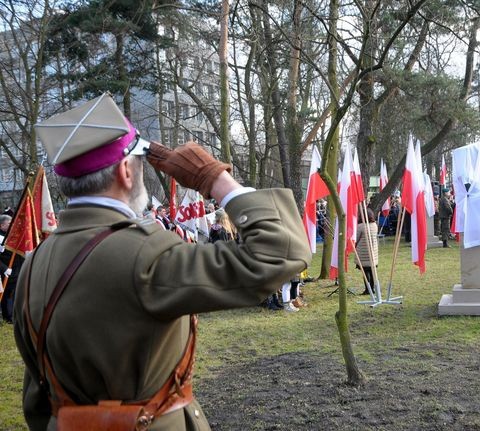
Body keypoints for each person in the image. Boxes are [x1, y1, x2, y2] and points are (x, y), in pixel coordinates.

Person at [14, 93, 311, 430]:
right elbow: (281, 252)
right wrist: (215, 179)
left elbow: (37, 398)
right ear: (126, 170)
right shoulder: (145, 252)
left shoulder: (34, 263)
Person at [0, 214, 24, 324]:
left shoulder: (12, 235)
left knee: (17, 293)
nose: (12, 225)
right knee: (8, 294)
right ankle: (8, 316)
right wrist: (4, 268)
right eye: (9, 223)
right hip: (6, 272)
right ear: (1, 225)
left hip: (18, 268)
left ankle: (16, 314)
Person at [356, 208, 379, 295]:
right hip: (373, 251)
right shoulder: (374, 225)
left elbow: (356, 238)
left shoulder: (361, 226)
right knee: (372, 271)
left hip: (363, 252)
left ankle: (368, 289)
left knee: (365, 272)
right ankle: (372, 288)